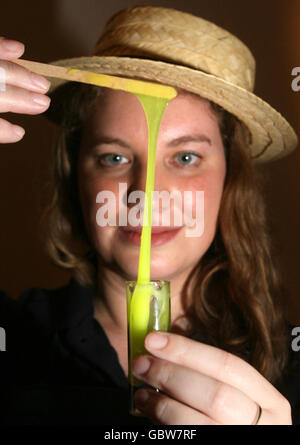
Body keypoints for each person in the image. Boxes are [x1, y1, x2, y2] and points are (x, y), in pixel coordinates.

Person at [0, 5, 299, 426]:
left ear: (229, 180)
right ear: (76, 175)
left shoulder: (291, 367)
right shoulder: (13, 341)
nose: (147, 193)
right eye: (115, 157)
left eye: (186, 156)